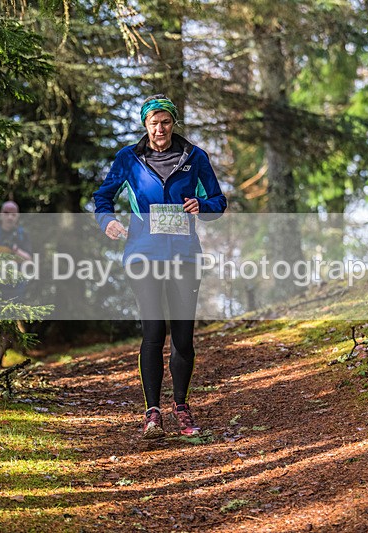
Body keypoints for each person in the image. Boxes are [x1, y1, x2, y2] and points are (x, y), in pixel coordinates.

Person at [93, 94, 227, 439]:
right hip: (143, 254)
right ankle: (152, 413)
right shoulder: (129, 158)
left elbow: (219, 200)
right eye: (153, 123)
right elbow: (103, 197)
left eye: (165, 121)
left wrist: (202, 205)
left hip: (184, 256)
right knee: (153, 332)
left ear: (173, 123)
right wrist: (107, 221)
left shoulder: (195, 157)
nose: (160, 128)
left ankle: (181, 407)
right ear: (145, 125)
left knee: (183, 337)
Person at [0, 200, 32, 366]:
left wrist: (15, 250)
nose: (10, 217)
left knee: (8, 321)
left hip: (15, 286)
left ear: (17, 216)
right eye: (6, 213)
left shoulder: (22, 235)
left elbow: (29, 259)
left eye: (13, 214)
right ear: (1, 214)